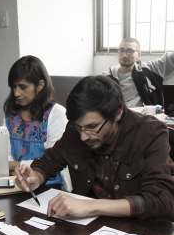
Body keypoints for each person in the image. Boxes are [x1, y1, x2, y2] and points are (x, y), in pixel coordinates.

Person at [15, 75, 174, 221]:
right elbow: (49, 162)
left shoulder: (150, 133)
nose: (83, 136)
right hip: (89, 227)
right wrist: (35, 177)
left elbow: (160, 200)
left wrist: (88, 206)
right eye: (79, 127)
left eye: (92, 127)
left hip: (137, 231)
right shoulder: (76, 129)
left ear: (117, 114)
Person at [3, 56, 70, 190]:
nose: (16, 93)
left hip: (49, 186)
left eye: (23, 87)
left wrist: (11, 166)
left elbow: (52, 162)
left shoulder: (56, 114)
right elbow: (6, 155)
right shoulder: (10, 114)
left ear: (40, 85)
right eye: (14, 87)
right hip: (16, 183)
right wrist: (13, 169)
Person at [103, 37, 174, 106]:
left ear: (139, 55)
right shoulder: (107, 77)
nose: (124, 55)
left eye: (130, 51)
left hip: (146, 116)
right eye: (121, 50)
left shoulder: (150, 70)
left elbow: (170, 58)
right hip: (118, 116)